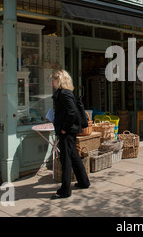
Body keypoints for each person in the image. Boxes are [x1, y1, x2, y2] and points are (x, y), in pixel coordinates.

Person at [51, 70, 90, 199]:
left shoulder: (64, 94)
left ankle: (65, 190)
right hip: (69, 131)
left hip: (67, 132)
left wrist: (64, 129)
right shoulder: (66, 93)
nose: (52, 83)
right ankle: (84, 182)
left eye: (53, 80)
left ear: (59, 80)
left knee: (66, 160)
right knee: (73, 157)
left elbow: (72, 112)